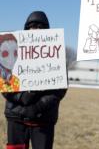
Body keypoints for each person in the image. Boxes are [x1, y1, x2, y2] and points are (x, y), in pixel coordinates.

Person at [2, 11, 67, 149]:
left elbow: (59, 89)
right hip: (16, 116)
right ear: (26, 28)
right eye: (32, 25)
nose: (36, 29)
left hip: (43, 118)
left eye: (40, 26)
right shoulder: (12, 49)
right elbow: (4, 83)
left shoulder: (56, 54)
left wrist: (37, 106)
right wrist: (22, 97)